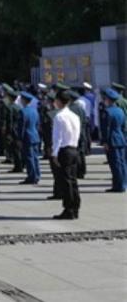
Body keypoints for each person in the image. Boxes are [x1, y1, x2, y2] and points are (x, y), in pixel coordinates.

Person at [51, 90, 82, 219]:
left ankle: (68, 209)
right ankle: (75, 207)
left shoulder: (59, 116)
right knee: (73, 181)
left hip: (64, 150)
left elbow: (57, 138)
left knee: (66, 182)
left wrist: (54, 154)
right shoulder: (75, 116)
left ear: (58, 101)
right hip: (74, 148)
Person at [101, 88, 126, 192]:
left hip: (112, 140)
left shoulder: (107, 112)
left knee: (115, 164)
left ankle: (118, 186)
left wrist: (105, 141)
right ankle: (123, 183)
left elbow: (105, 128)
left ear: (108, 100)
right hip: (121, 138)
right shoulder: (120, 110)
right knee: (122, 163)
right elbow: (124, 126)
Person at [19, 93, 41, 185]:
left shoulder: (22, 111)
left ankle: (31, 176)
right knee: (35, 157)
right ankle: (37, 174)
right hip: (35, 135)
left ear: (24, 100)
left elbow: (21, 127)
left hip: (27, 137)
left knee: (29, 157)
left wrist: (19, 138)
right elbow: (37, 124)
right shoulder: (34, 111)